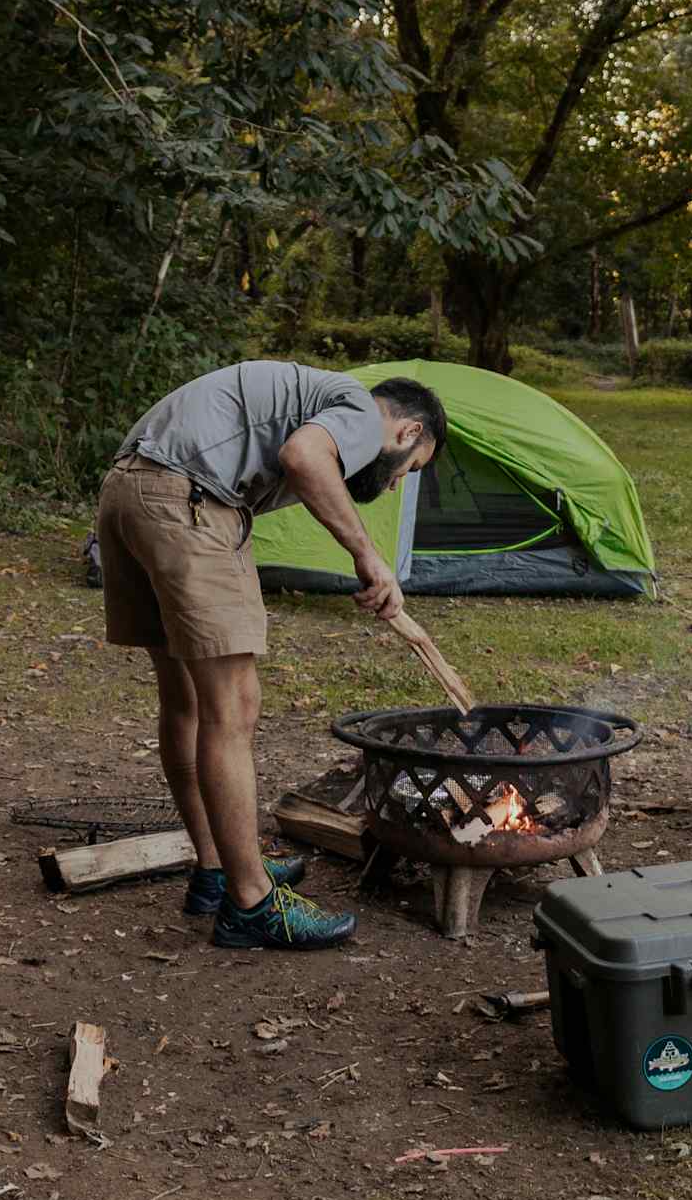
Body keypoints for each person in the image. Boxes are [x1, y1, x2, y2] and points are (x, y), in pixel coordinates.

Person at [95, 362, 447, 950]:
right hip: (189, 500)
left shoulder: (317, 400)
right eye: (409, 471)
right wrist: (367, 554)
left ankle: (215, 870)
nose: (394, 486)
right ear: (408, 433)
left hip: (129, 492)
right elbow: (304, 457)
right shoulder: (361, 410)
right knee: (233, 707)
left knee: (185, 701)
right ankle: (252, 902)